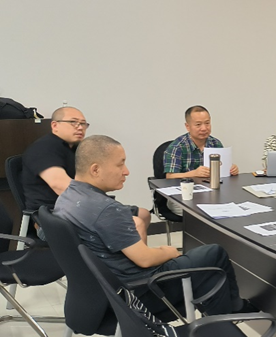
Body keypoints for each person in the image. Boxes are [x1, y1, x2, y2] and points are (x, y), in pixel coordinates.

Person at [55, 135, 254, 316]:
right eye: (120, 164)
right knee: (214, 254)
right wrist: (169, 252)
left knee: (204, 273)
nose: (126, 171)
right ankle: (227, 319)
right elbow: (145, 259)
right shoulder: (105, 209)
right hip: (140, 292)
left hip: (100, 292)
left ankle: (219, 316)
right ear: (95, 169)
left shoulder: (66, 198)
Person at [20, 106, 150, 236]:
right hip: (53, 216)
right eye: (73, 122)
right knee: (135, 222)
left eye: (83, 124)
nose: (80, 127)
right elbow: (61, 186)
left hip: (79, 207)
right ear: (55, 125)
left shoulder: (76, 149)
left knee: (144, 214)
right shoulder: (44, 148)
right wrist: (104, 206)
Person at [164, 105, 239, 179]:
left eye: (207, 123)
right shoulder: (177, 147)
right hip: (187, 186)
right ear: (187, 126)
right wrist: (193, 174)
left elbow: (221, 168)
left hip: (212, 185)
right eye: (198, 124)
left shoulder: (215, 143)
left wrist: (231, 169)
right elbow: (170, 176)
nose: (204, 128)